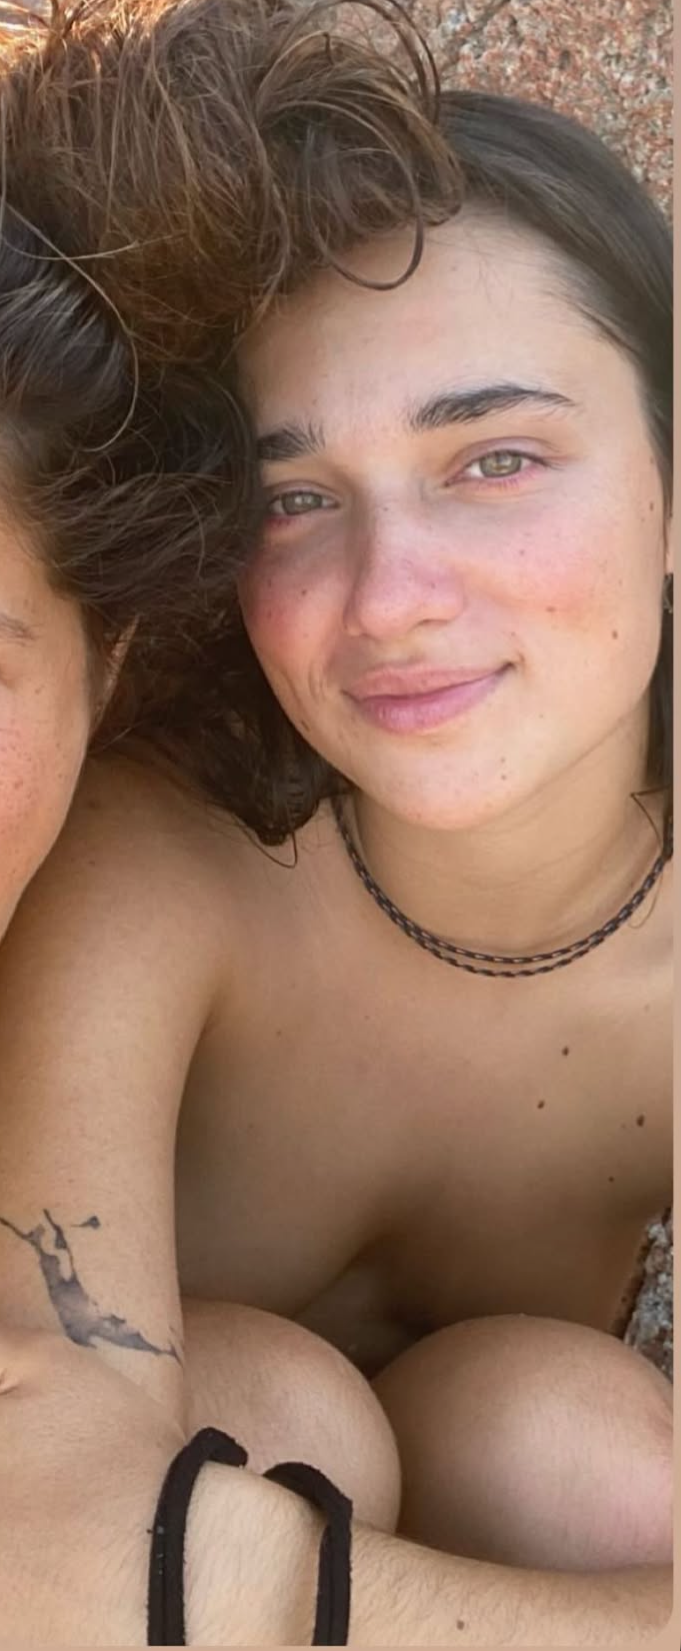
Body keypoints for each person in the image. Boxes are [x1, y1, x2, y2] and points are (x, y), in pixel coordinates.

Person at [0, 0, 672, 1641]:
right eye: (294, 499)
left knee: (588, 1453)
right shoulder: (160, 865)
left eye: (496, 459)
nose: (391, 596)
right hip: (165, 1486)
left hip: (479, 1491)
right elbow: (36, 1521)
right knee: (278, 1410)